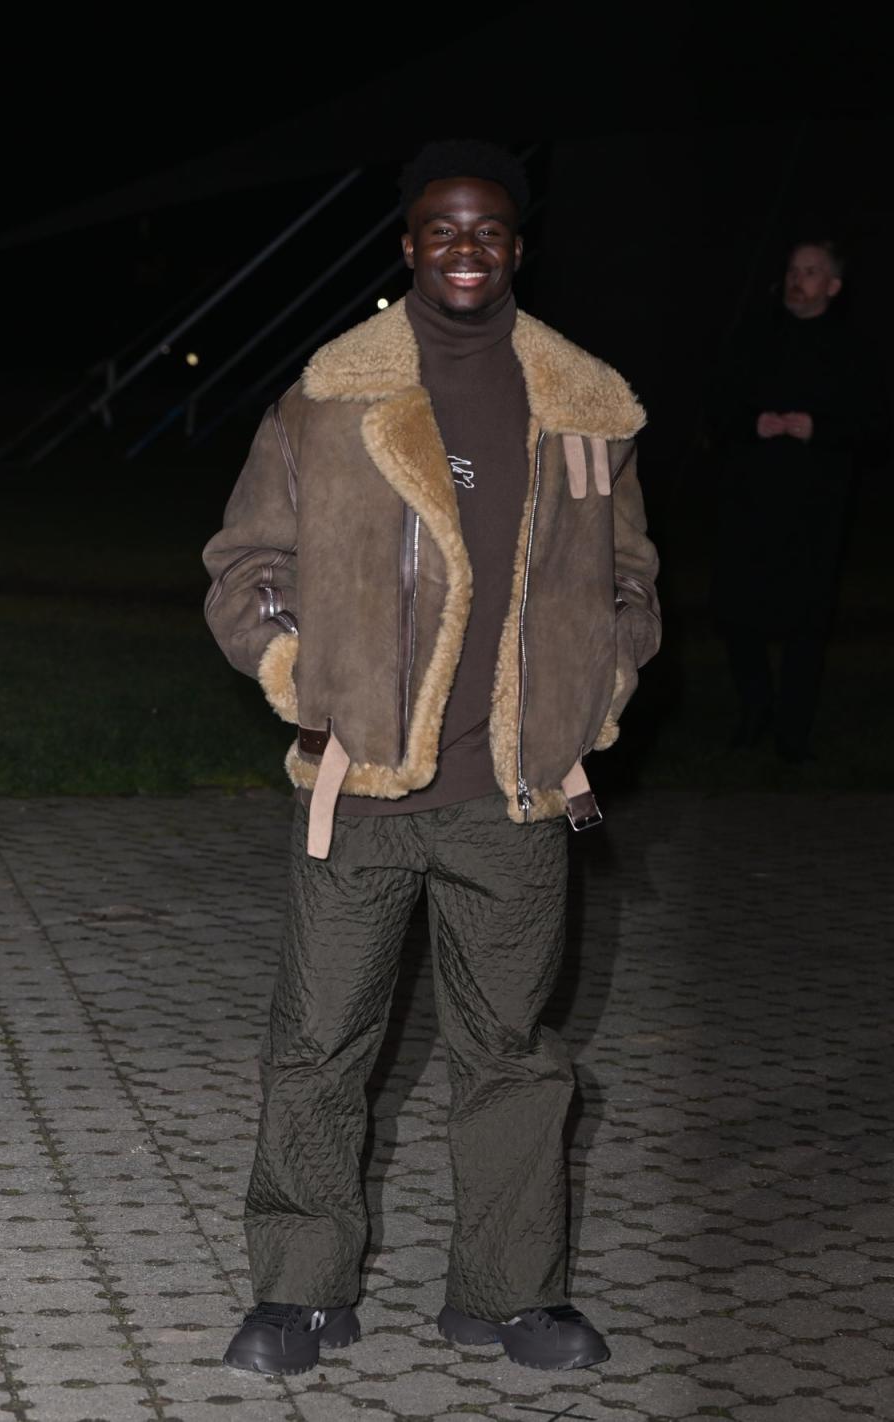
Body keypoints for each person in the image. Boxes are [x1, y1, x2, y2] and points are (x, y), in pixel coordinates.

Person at [202, 140, 660, 1377]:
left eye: (490, 229)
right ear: (407, 247)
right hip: (362, 794)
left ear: (518, 246)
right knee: (319, 1043)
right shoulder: (329, 398)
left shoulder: (585, 407)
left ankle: (506, 1296)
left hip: (513, 798)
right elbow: (245, 567)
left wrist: (593, 694)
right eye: (443, 229)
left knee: (512, 1056)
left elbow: (629, 581)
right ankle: (301, 1293)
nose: (467, 247)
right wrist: (306, 683)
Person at [711, 240, 886, 762]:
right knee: (738, 612)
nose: (798, 279)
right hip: (750, 499)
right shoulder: (754, 338)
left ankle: (792, 733)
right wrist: (751, 424)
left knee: (807, 621)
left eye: (811, 272)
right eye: (793, 270)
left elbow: (876, 427)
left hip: (816, 506)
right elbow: (717, 410)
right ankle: (755, 709)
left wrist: (820, 429)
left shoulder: (853, 349)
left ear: (832, 286)